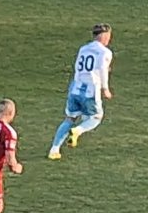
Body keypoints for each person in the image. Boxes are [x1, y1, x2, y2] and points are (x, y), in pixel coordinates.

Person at [49, 24, 114, 159]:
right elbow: (103, 70)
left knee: (70, 118)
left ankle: (54, 150)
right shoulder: (105, 52)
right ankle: (77, 130)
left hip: (76, 87)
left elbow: (77, 67)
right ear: (104, 36)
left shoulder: (83, 49)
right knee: (96, 117)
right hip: (91, 89)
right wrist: (105, 88)